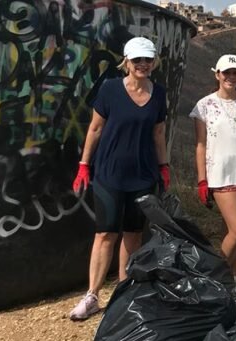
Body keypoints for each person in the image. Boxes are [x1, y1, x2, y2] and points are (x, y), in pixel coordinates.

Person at [69, 37, 169, 320]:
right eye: (137, 60)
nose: (143, 65)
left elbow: (158, 133)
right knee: (105, 233)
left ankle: (125, 291)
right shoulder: (111, 89)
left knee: (134, 233)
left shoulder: (158, 93)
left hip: (143, 173)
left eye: (147, 60)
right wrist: (84, 164)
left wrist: (164, 167)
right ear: (126, 61)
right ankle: (91, 296)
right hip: (110, 173)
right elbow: (95, 129)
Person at [190, 54, 236, 300]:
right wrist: (202, 179)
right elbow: (201, 144)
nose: (230, 77)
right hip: (220, 175)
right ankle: (213, 276)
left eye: (235, 73)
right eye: (226, 73)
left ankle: (232, 279)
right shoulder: (204, 105)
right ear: (217, 75)